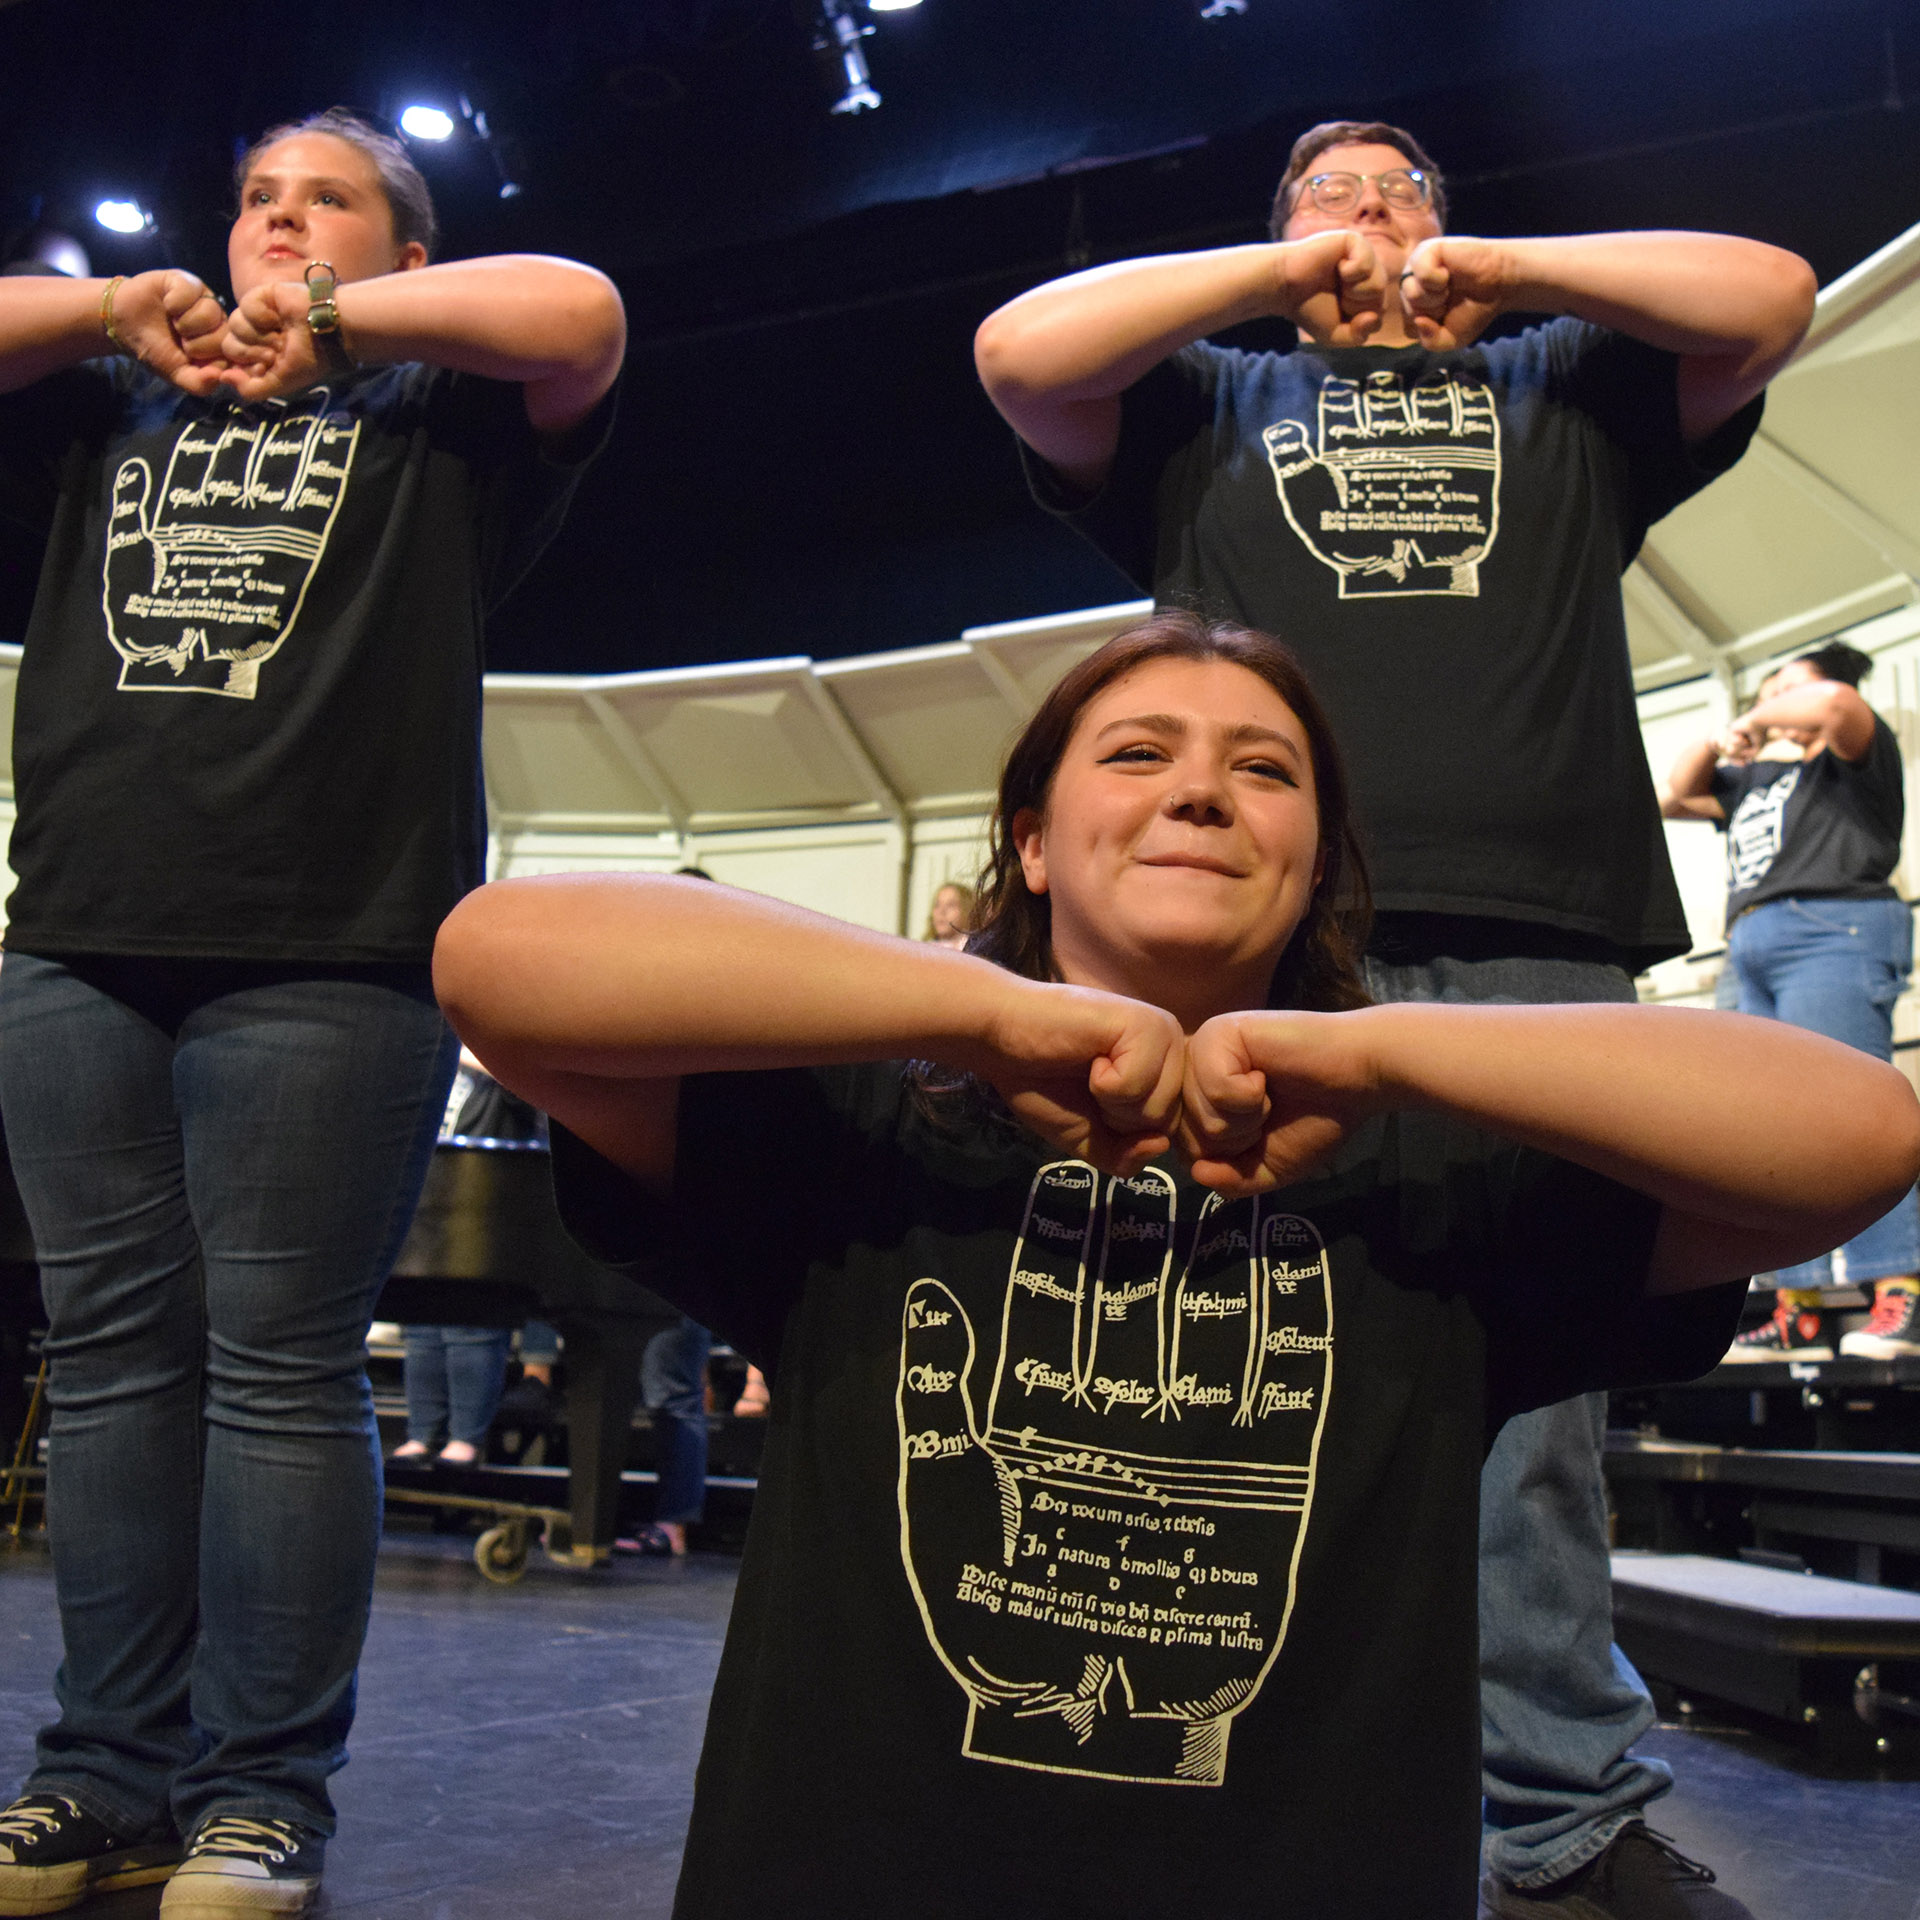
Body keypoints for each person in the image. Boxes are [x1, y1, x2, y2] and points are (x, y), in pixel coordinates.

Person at [433, 614, 1919, 1920]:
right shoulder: (872, 1119)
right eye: (1138, 752)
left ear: (1321, 862)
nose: (1204, 787)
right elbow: (500, 957)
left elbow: (1856, 1131)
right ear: (1029, 837)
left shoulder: (1439, 1173)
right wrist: (987, 1013)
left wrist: (1381, 1045)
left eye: (1266, 771)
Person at [972, 118, 1815, 1918]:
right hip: (1264, 944)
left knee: (1529, 1432)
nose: (1370, 216)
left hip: (1537, 937)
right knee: (1222, 1387)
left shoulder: (1557, 378)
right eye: (1327, 198)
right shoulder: (1210, 391)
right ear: (1276, 245)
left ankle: (1556, 1823)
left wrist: (1506, 275)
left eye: (1402, 191)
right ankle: (1220, 1787)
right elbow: (1021, 355)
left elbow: (1769, 295)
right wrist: (1285, 287)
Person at [0, 109, 623, 1918]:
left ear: (399, 256)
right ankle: (98, 1777)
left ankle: (259, 1794)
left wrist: (345, 328)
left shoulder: (441, 424)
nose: (276, 226)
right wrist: (121, 300)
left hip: (332, 950)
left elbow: (581, 314)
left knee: (278, 1381)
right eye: (255, 200)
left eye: (325, 203)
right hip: (78, 941)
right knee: (113, 1376)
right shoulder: (119, 409)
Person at [1662, 641, 1920, 1363]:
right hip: (1751, 943)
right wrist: (1731, 736)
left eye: (1787, 690)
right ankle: (1795, 1303)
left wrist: (1763, 710)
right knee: (1758, 1128)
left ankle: (1899, 1293)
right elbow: (1674, 793)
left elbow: (1837, 705)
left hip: (1829, 929)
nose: (1774, 701)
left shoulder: (1851, 762)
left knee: (1857, 1113)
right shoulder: (1756, 781)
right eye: (1767, 691)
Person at [922, 881, 975, 949]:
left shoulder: (975, 952)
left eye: (951, 905)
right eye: (937, 905)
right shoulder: (923, 949)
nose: (941, 911)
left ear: (967, 910)